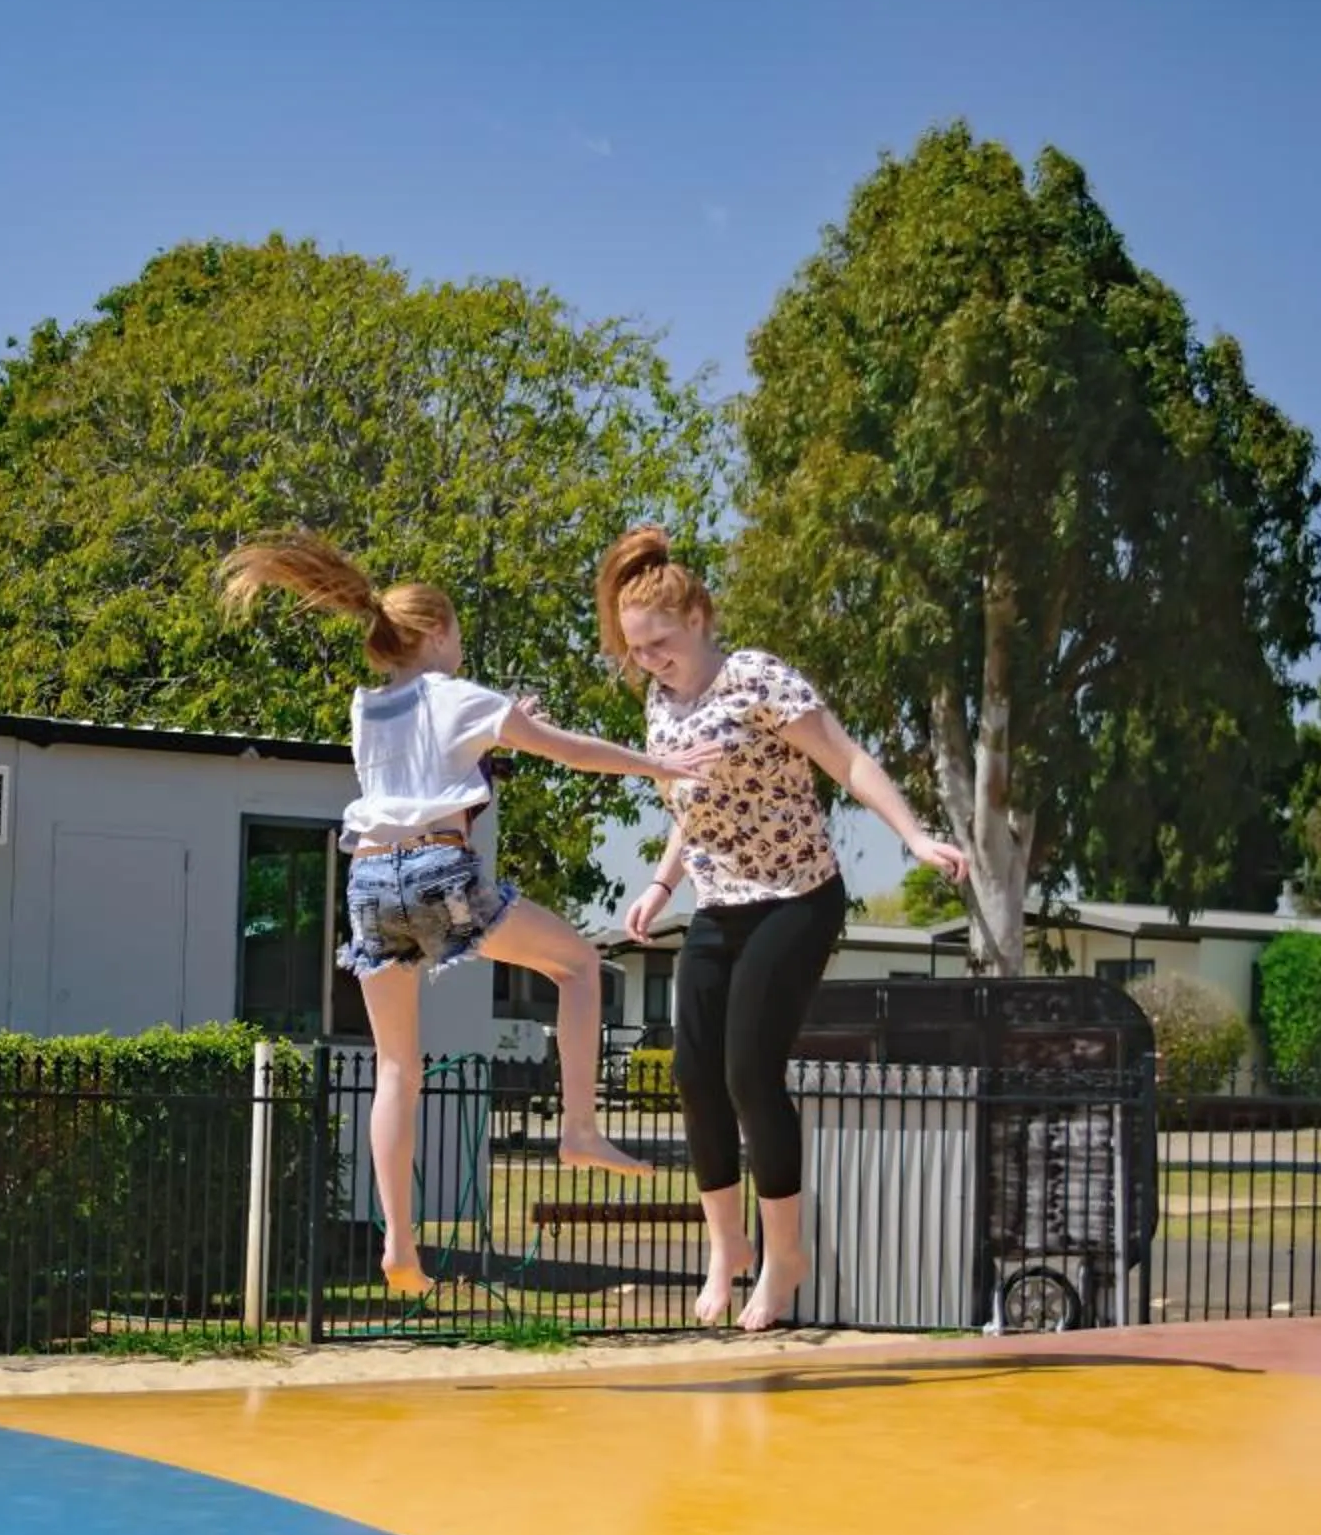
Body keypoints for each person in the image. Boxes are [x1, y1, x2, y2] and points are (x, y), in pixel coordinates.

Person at [218, 532, 722, 1296]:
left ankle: (398, 1242)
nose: (461, 649)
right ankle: (579, 1129)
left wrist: (498, 728)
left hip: (367, 882)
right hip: (434, 870)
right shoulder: (464, 698)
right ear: (437, 633)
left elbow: (431, 769)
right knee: (578, 966)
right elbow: (570, 751)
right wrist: (658, 764)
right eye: (457, 636)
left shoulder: (368, 709)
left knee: (396, 1068)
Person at [600, 526, 971, 1331]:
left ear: (698, 618)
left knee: (748, 1073)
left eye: (661, 644)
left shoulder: (756, 678)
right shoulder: (662, 703)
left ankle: (786, 1255)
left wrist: (913, 836)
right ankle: (726, 1246)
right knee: (692, 1072)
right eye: (638, 650)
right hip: (718, 902)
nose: (650, 661)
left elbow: (847, 759)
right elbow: (696, 805)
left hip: (797, 897)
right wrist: (661, 883)